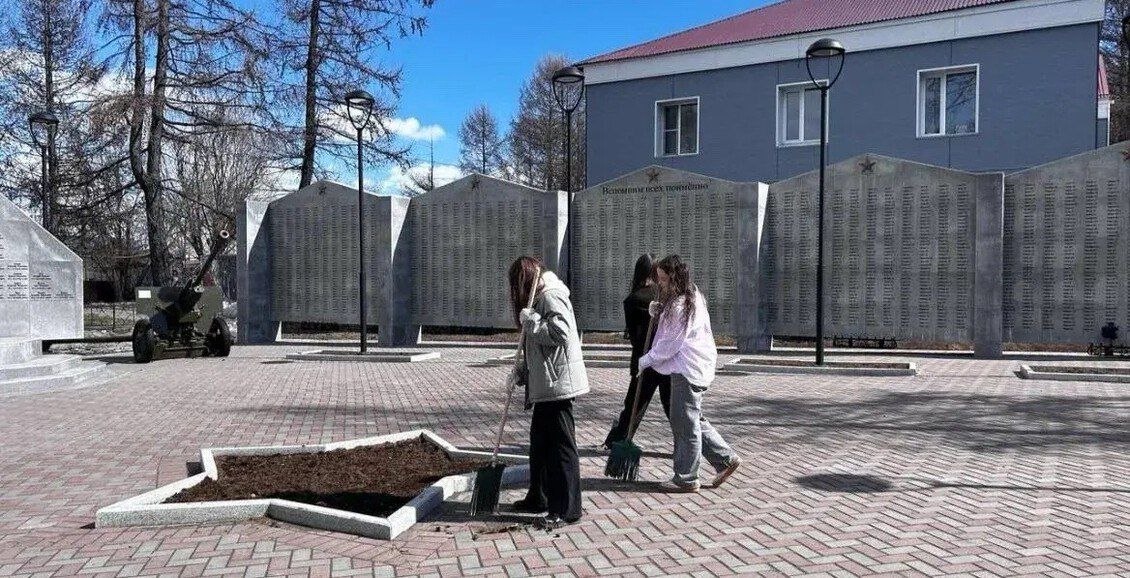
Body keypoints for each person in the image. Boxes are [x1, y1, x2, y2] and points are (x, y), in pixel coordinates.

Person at [638, 255, 741, 492]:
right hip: (696, 366)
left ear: (675, 279)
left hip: (687, 369)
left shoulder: (680, 306)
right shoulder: (691, 296)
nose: (660, 283)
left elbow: (670, 344)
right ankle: (725, 459)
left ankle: (686, 477)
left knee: (684, 423)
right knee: (692, 418)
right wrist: (658, 311)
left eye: (664, 279)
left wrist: (646, 360)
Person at [506, 256, 589, 529]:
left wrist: (532, 322)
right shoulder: (538, 298)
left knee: (560, 448)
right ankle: (538, 497)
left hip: (557, 386)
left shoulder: (551, 296)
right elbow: (538, 349)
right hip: (546, 386)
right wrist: (522, 372)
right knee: (540, 444)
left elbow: (561, 333)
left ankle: (566, 509)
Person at [602, 254, 671, 448]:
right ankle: (689, 447)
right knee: (673, 408)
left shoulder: (633, 299)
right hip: (667, 359)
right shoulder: (665, 295)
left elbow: (636, 338)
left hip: (645, 361)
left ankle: (617, 441)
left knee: (633, 405)